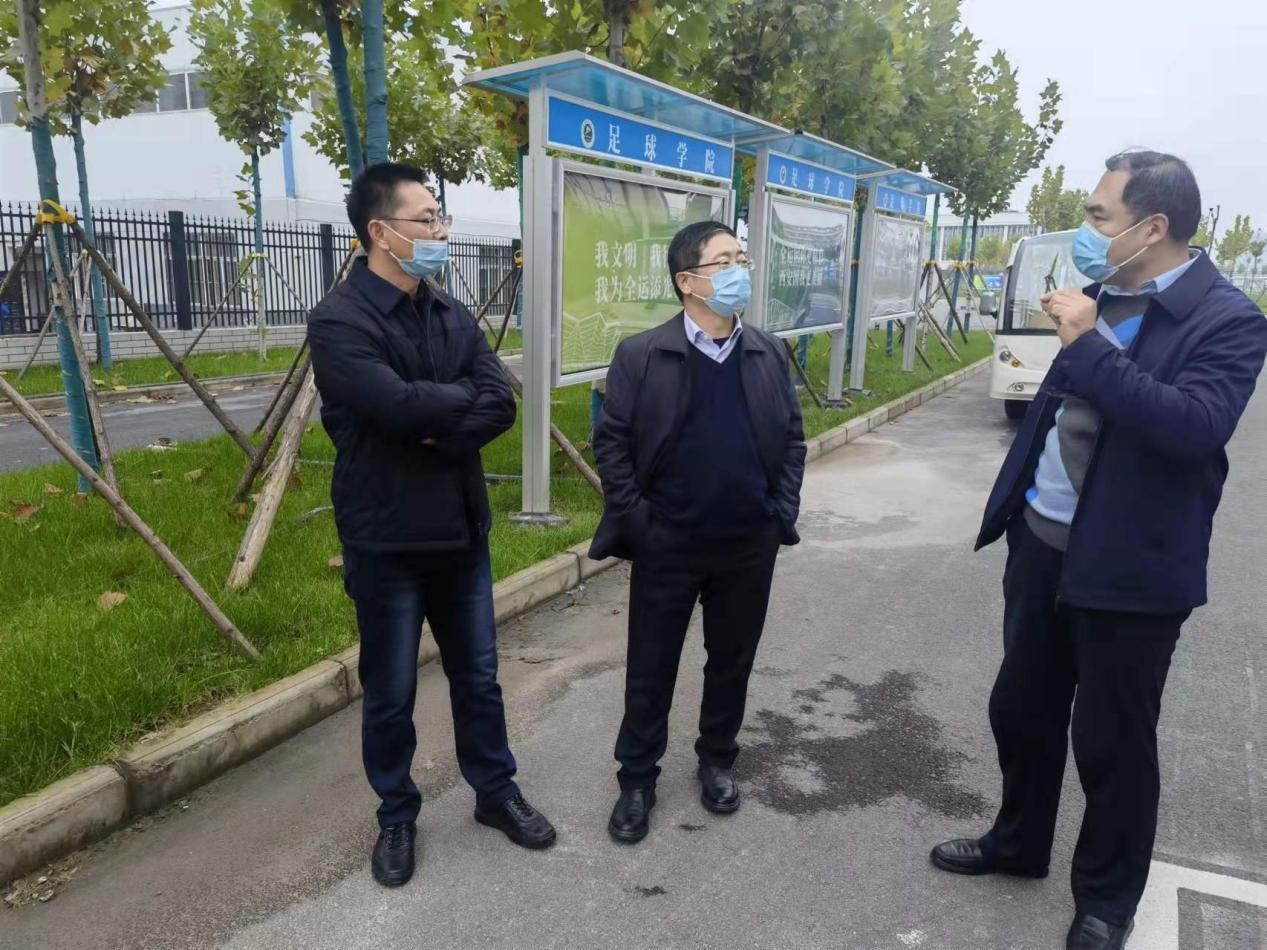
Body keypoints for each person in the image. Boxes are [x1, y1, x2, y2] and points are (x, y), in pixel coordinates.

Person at [930, 150, 1267, 950]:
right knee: (1022, 708)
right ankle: (1017, 841)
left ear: (1151, 228)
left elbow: (1191, 427)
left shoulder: (1226, 318)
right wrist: (1019, 509)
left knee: (1112, 741)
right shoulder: (1103, 293)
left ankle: (1107, 900)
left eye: (1097, 216)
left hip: (1132, 567)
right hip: (1042, 542)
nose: (1084, 230)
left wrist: (1087, 345)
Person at [307, 162, 556, 888]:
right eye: (426, 219)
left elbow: (498, 401)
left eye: (440, 218)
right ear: (380, 232)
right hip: (385, 537)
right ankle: (396, 813)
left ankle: (495, 791)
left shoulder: (447, 311)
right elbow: (389, 406)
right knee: (390, 690)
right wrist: (446, 405)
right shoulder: (339, 320)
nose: (440, 230)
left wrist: (436, 429)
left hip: (459, 530)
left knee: (479, 676)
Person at [590, 221, 806, 844]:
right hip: (668, 541)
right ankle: (637, 778)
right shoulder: (642, 354)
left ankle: (717, 760)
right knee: (650, 665)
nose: (739, 271)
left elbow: (792, 439)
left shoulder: (767, 351)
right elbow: (613, 444)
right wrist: (639, 522)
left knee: (732, 660)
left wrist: (779, 511)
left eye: (742, 259)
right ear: (687, 281)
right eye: (724, 261)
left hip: (747, 541)